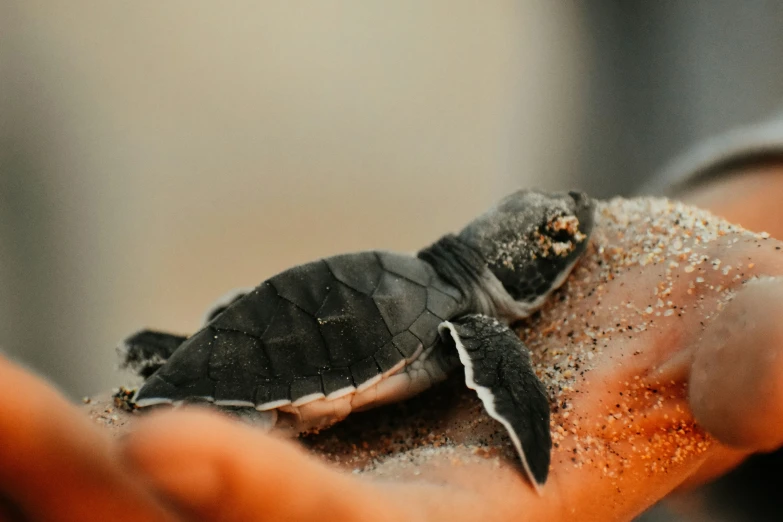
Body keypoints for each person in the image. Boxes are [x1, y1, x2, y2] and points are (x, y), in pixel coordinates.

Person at [3, 116, 783, 521]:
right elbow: (506, 382)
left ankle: (173, 375)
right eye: (555, 239)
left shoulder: (407, 273)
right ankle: (185, 395)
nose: (572, 237)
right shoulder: (462, 323)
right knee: (194, 451)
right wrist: (528, 428)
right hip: (273, 394)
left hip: (255, 338)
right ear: (506, 268)